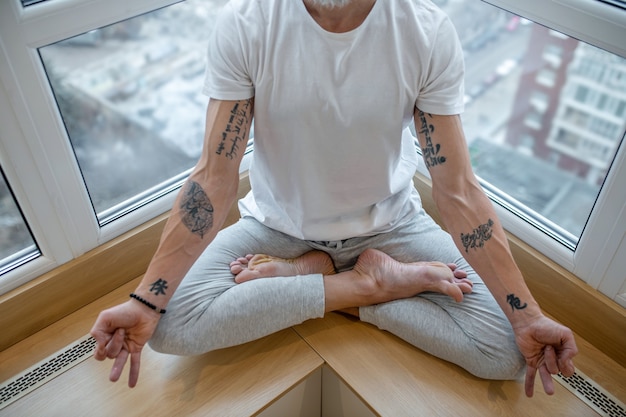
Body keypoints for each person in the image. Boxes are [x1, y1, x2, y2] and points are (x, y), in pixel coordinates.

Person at [90, 0, 578, 397]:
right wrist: (144, 302)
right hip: (277, 229)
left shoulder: (426, 32)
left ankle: (319, 274)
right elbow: (213, 180)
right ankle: (366, 285)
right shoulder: (246, 25)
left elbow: (458, 191)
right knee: (169, 327)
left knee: (505, 350)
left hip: (394, 226)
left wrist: (527, 316)